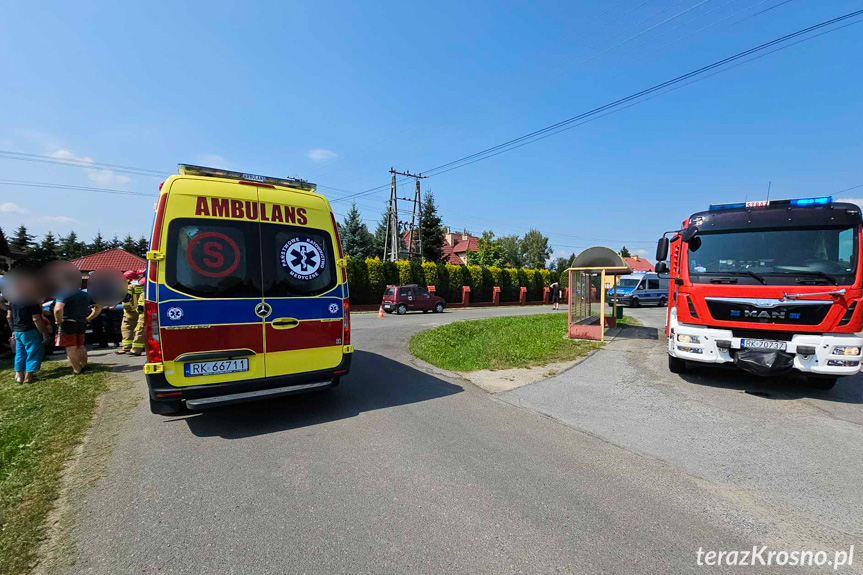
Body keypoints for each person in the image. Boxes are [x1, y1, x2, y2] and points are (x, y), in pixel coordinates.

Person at [54, 287, 102, 375]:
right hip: (81, 322)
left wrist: (58, 320)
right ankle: (84, 365)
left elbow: (58, 309)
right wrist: (89, 318)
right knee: (80, 345)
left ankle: (77, 370)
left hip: (67, 322)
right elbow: (99, 307)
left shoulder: (63, 292)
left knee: (70, 347)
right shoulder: (85, 294)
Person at [8, 299, 50, 383]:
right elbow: (36, 319)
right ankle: (28, 377)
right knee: (33, 353)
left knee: (20, 354)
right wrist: (45, 334)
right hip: (30, 330)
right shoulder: (31, 301)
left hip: (18, 331)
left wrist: (13, 330)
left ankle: (20, 377)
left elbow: (8, 316)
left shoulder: (13, 301)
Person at [116, 270, 142, 355]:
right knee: (139, 329)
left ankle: (127, 348)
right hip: (140, 311)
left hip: (130, 312)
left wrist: (127, 307)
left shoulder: (129, 287)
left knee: (126, 328)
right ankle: (140, 347)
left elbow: (126, 298)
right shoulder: (142, 286)